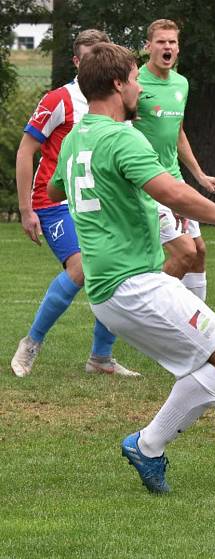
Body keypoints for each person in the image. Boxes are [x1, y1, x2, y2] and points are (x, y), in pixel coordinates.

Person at [48, 42, 215, 496]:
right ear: (118, 84)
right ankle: (148, 444)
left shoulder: (79, 136)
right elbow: (172, 192)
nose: (140, 87)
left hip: (112, 286)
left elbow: (61, 186)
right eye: (135, 80)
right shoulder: (121, 136)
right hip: (132, 282)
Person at [12, 28, 138, 377]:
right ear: (76, 62)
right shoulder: (59, 100)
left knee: (116, 268)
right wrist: (26, 210)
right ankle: (31, 343)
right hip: (53, 201)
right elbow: (26, 150)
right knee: (82, 268)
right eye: (87, 58)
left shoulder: (117, 100)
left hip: (100, 201)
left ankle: (101, 358)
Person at [133, 19, 215, 300]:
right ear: (148, 47)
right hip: (149, 181)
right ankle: (150, 306)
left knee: (199, 251)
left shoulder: (182, 83)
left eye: (172, 42)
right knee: (185, 252)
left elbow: (178, 133)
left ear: (178, 48)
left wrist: (199, 175)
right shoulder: (135, 84)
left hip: (175, 177)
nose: (167, 46)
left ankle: (198, 317)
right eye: (161, 42)